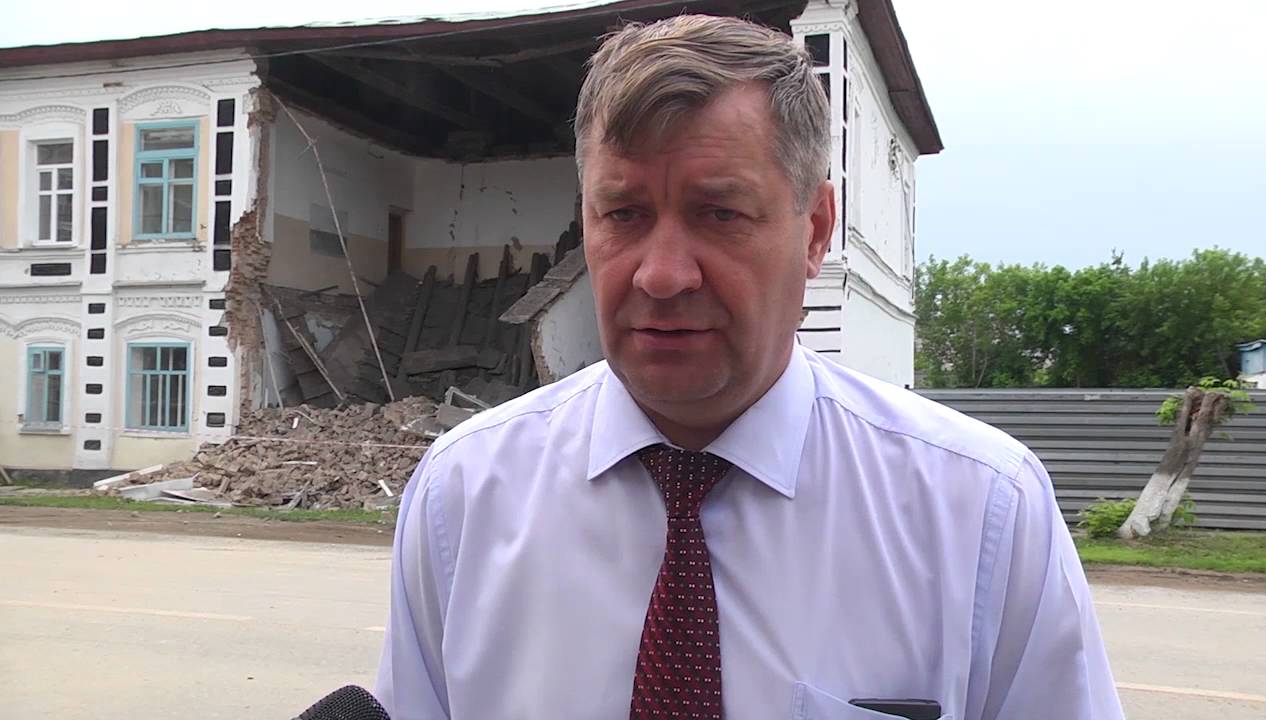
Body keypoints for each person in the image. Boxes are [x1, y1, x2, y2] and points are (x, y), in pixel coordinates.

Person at [374, 14, 1124, 720]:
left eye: (720, 213)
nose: (662, 275)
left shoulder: (979, 510)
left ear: (815, 232)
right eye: (623, 214)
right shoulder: (463, 496)